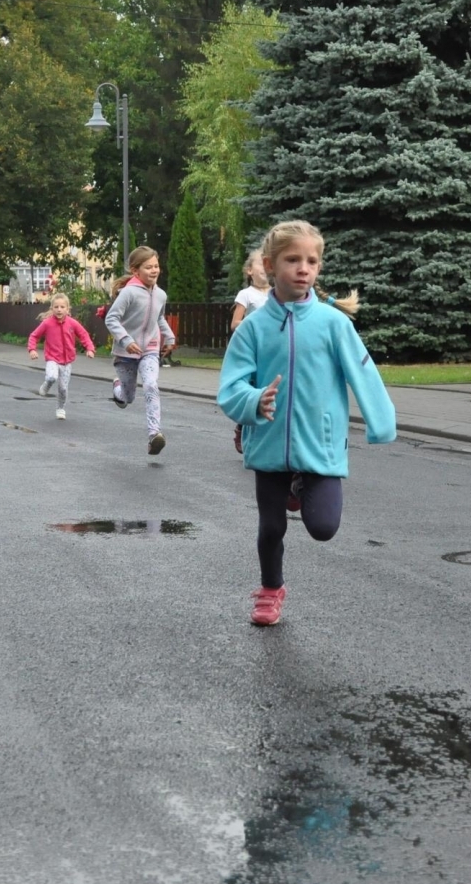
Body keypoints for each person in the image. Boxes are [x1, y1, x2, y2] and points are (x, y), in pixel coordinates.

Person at [218, 220, 396, 627]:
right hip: (268, 444)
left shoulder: (333, 323)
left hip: (321, 443)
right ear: (268, 265)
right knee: (271, 526)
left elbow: (363, 373)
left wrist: (380, 424)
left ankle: (302, 483)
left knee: (323, 527)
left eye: (311, 261)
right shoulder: (253, 328)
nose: (303, 268)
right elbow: (230, 385)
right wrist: (252, 400)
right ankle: (270, 589)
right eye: (292, 259)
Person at [103, 246, 176, 454]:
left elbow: (159, 318)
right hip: (126, 353)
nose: (154, 270)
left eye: (157, 266)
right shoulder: (128, 293)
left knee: (151, 385)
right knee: (128, 398)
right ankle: (118, 388)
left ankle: (154, 434)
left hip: (150, 350)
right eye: (149, 267)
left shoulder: (160, 294)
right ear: (136, 271)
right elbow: (111, 318)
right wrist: (126, 340)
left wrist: (169, 337)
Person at [28, 292, 95, 420]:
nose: (59, 310)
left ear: (67, 309)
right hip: (52, 359)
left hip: (67, 362)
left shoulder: (72, 323)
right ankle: (46, 384)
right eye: (56, 307)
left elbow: (84, 335)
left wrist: (90, 349)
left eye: (62, 307)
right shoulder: (47, 323)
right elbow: (34, 336)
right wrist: (32, 349)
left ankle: (60, 408)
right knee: (52, 376)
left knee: (63, 389)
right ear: (52, 308)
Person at [229, 251, 270, 332]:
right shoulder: (245, 294)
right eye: (261, 264)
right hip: (255, 341)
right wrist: (256, 322)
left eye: (268, 264)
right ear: (250, 270)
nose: (265, 267)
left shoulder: (278, 293)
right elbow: (234, 325)